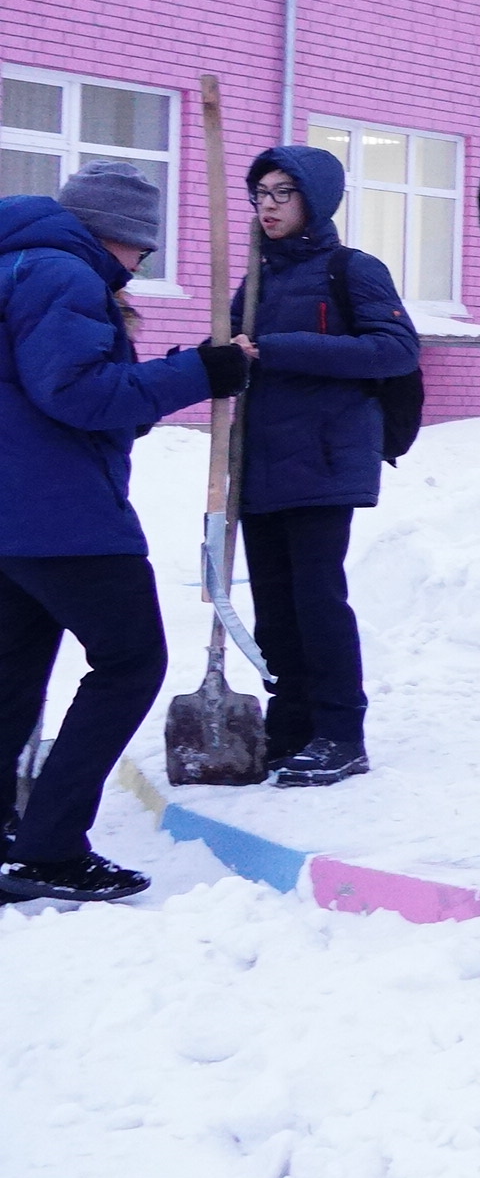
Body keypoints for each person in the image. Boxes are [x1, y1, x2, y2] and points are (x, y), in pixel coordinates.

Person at [0, 162, 246, 903]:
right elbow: (77, 394)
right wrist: (199, 376)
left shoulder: (21, 264)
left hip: (19, 515)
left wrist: (189, 371)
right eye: (143, 251)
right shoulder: (65, 276)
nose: (142, 266)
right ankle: (49, 845)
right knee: (130, 663)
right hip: (62, 515)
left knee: (11, 680)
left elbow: (79, 398)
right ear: (121, 235)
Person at [232, 145, 421, 787]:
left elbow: (394, 350)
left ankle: (341, 734)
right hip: (259, 466)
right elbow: (236, 361)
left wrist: (277, 350)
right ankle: (290, 729)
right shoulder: (254, 280)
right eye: (260, 193)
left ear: (315, 197)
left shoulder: (351, 269)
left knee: (317, 601)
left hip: (322, 460)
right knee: (274, 608)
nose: (268, 206)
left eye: (282, 192)